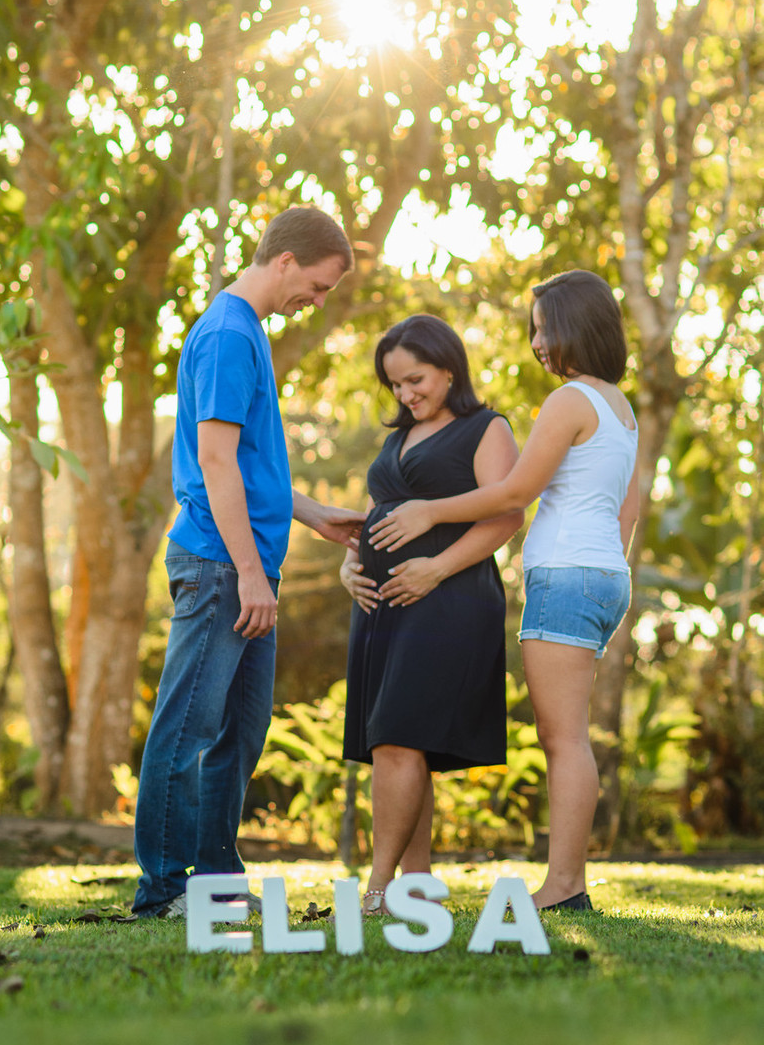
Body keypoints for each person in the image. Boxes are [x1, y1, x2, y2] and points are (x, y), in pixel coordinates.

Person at [369, 271, 639, 912]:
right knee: (568, 735)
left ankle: (564, 884)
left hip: (566, 575)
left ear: (577, 325)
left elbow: (515, 493)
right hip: (604, 574)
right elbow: (626, 511)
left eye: (545, 328)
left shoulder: (569, 401)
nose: (538, 342)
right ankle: (566, 881)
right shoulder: (618, 407)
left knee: (562, 738)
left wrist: (430, 513)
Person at [132, 206, 363, 919]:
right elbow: (213, 460)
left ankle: (214, 876)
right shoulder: (231, 333)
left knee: (241, 728)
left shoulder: (246, 332)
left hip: (244, 563)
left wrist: (310, 512)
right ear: (286, 260)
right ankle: (165, 887)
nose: (315, 302)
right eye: (318, 287)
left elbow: (248, 464)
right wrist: (252, 574)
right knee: (189, 727)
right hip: (220, 567)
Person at [340, 314, 523, 915]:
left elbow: (505, 515)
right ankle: (415, 887)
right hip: (382, 609)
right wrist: (350, 566)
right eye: (394, 385)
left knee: (397, 737)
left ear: (449, 368)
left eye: (415, 380)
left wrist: (436, 566)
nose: (405, 394)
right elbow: (375, 516)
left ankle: (377, 888)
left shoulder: (485, 427)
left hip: (445, 600)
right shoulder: (397, 440)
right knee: (395, 745)